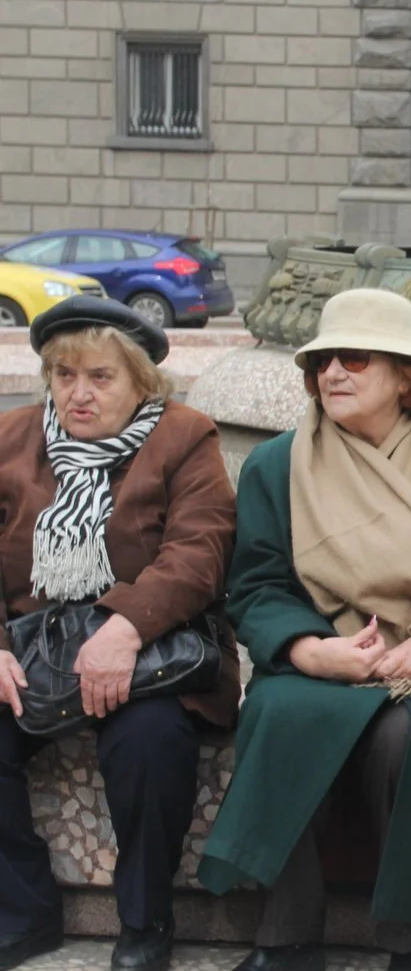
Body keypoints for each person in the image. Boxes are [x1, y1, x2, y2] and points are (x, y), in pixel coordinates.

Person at [199, 289, 411, 971]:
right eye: (322, 361)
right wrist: (309, 649)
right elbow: (256, 586)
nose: (332, 374)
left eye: (354, 359)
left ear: (407, 377)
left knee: (409, 737)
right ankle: (286, 939)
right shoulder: (277, 464)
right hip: (318, 656)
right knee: (280, 712)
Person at [0, 297, 237, 971]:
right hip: (33, 649)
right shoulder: (11, 439)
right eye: (65, 375)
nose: (79, 393)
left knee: (151, 741)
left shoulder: (186, 436)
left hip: (153, 650)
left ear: (141, 381)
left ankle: (144, 919)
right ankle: (22, 909)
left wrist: (126, 624)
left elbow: (201, 550)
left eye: (100, 377)